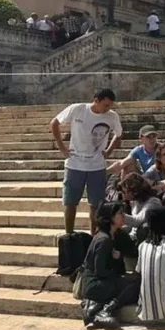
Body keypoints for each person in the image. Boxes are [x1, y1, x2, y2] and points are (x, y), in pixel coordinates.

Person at [50, 89, 123, 234]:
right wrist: (62, 147)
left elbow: (119, 134)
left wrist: (108, 151)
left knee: (96, 204)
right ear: (96, 100)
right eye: (105, 105)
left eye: (110, 106)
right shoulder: (78, 109)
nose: (107, 109)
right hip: (75, 164)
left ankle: (94, 235)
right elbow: (54, 123)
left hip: (97, 165)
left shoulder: (112, 116)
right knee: (70, 202)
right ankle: (69, 234)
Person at [81, 202, 140, 330]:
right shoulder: (103, 240)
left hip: (106, 280)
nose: (123, 216)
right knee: (134, 286)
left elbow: (133, 251)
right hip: (95, 284)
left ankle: (97, 309)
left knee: (134, 282)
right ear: (110, 217)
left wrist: (120, 256)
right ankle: (106, 309)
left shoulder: (117, 235)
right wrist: (117, 273)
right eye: (120, 214)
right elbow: (100, 271)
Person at [118, 173, 161, 239]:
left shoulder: (153, 202)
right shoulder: (135, 202)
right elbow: (133, 226)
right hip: (133, 236)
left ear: (134, 191)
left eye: (125, 192)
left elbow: (137, 221)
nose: (123, 195)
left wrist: (118, 214)